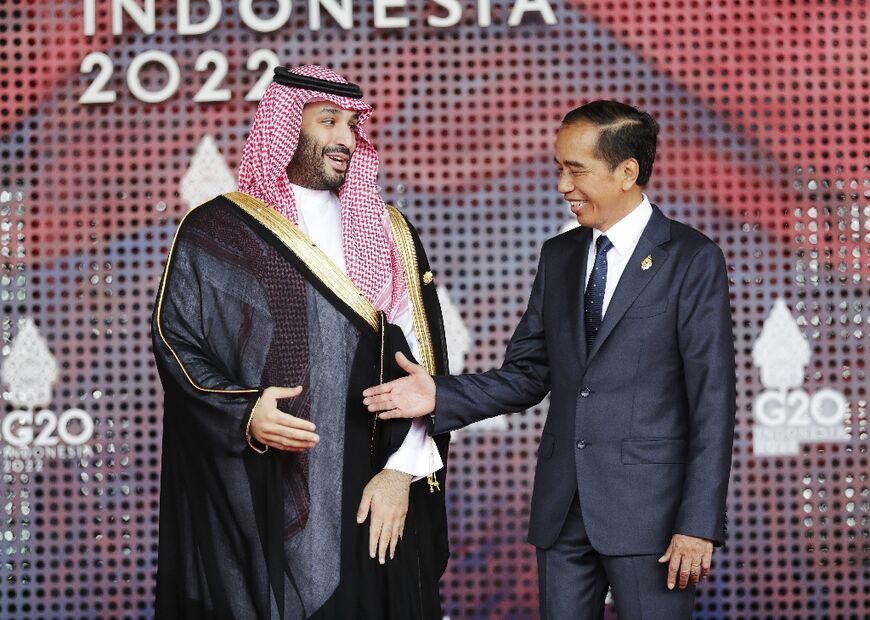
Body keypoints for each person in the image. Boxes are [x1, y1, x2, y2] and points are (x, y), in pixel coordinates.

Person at [364, 100, 736, 619]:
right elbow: (528, 374)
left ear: (627, 172)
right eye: (558, 168)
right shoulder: (559, 256)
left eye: (575, 170)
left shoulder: (692, 258)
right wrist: (438, 394)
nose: (562, 184)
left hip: (651, 515)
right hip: (562, 513)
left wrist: (697, 523)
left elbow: (712, 402)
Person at [151, 64, 451, 619]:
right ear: (286, 126)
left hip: (371, 480)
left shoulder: (389, 230)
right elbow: (178, 342)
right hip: (264, 479)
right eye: (328, 120)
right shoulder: (218, 229)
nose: (345, 138)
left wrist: (402, 471)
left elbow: (424, 369)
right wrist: (244, 411)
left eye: (352, 125)